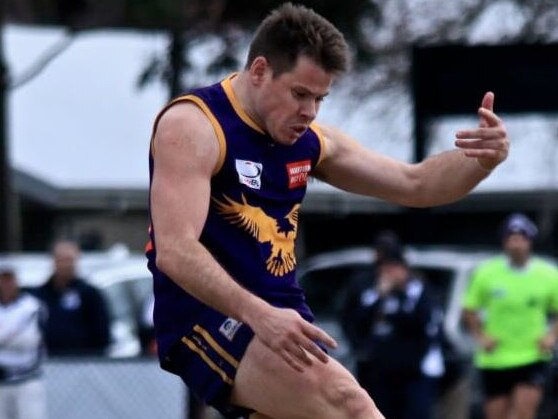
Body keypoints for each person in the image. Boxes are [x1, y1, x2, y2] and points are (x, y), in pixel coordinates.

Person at [145, 3, 509, 418]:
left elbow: (418, 184)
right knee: (351, 406)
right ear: (260, 71)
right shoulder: (194, 126)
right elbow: (174, 250)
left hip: (284, 320)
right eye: (300, 94)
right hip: (209, 316)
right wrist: (260, 315)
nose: (310, 111)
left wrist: (481, 161)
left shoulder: (309, 141)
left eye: (320, 98)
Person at [462, 213, 558, 419]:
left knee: (523, 412)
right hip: (496, 357)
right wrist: (480, 336)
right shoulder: (487, 273)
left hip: (531, 354)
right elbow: (470, 309)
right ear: (504, 242)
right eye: (511, 238)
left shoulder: (548, 275)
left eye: (521, 238)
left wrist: (552, 336)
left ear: (530, 242)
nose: (516, 244)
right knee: (497, 415)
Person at [345, 247, 445, 419]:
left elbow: (423, 324)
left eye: (393, 269)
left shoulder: (418, 291)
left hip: (413, 368)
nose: (389, 274)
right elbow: (358, 321)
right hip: (381, 368)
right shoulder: (374, 293)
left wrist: (394, 314)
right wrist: (380, 296)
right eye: (385, 269)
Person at [341, 230, 402, 381]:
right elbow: (350, 316)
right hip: (369, 354)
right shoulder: (363, 282)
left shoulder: (405, 282)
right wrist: (358, 346)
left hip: (399, 356)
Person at [32, 240, 111, 356]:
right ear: (53, 261)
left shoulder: (89, 294)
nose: (65, 265)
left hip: (82, 360)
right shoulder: (40, 295)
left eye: (69, 260)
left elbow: (101, 331)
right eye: (61, 260)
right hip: (47, 359)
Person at [0, 265, 48, 419]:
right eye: (3, 280)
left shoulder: (31, 306)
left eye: (10, 279)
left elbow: (29, 341)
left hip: (27, 378)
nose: (6, 284)